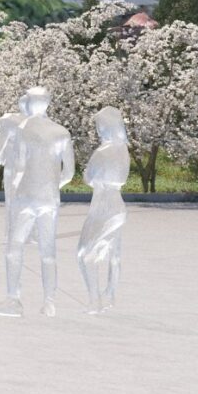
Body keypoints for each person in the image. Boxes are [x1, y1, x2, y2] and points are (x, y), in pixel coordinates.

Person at [0, 87, 75, 316]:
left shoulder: (23, 129)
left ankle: (14, 299)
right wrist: (49, 185)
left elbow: (19, 166)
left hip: (26, 197)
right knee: (48, 251)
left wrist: (17, 188)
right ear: (47, 102)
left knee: (14, 248)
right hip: (49, 199)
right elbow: (68, 173)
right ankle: (49, 301)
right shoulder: (62, 132)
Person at [75, 107, 129, 314]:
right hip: (117, 205)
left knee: (84, 253)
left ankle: (94, 300)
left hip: (103, 206)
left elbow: (89, 177)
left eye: (100, 126)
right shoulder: (123, 149)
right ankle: (109, 296)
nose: (98, 130)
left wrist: (92, 175)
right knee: (112, 254)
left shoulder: (104, 151)